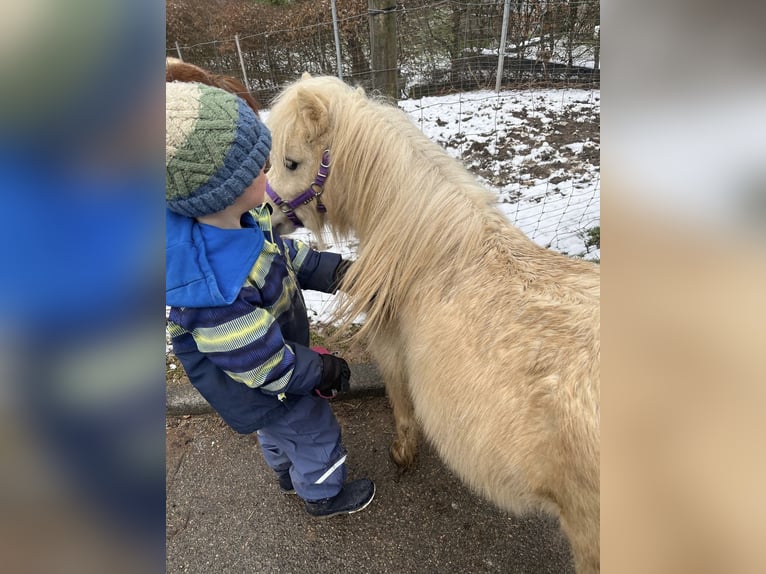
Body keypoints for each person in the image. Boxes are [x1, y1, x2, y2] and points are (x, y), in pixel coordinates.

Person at [165, 80, 374, 517]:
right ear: (222, 189)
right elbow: (261, 365)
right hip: (264, 380)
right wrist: (320, 370)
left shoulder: (240, 218)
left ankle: (286, 473)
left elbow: (280, 253)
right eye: (260, 170)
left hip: (266, 374)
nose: (269, 174)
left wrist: (330, 270)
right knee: (313, 431)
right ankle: (323, 494)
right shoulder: (214, 292)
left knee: (276, 431)